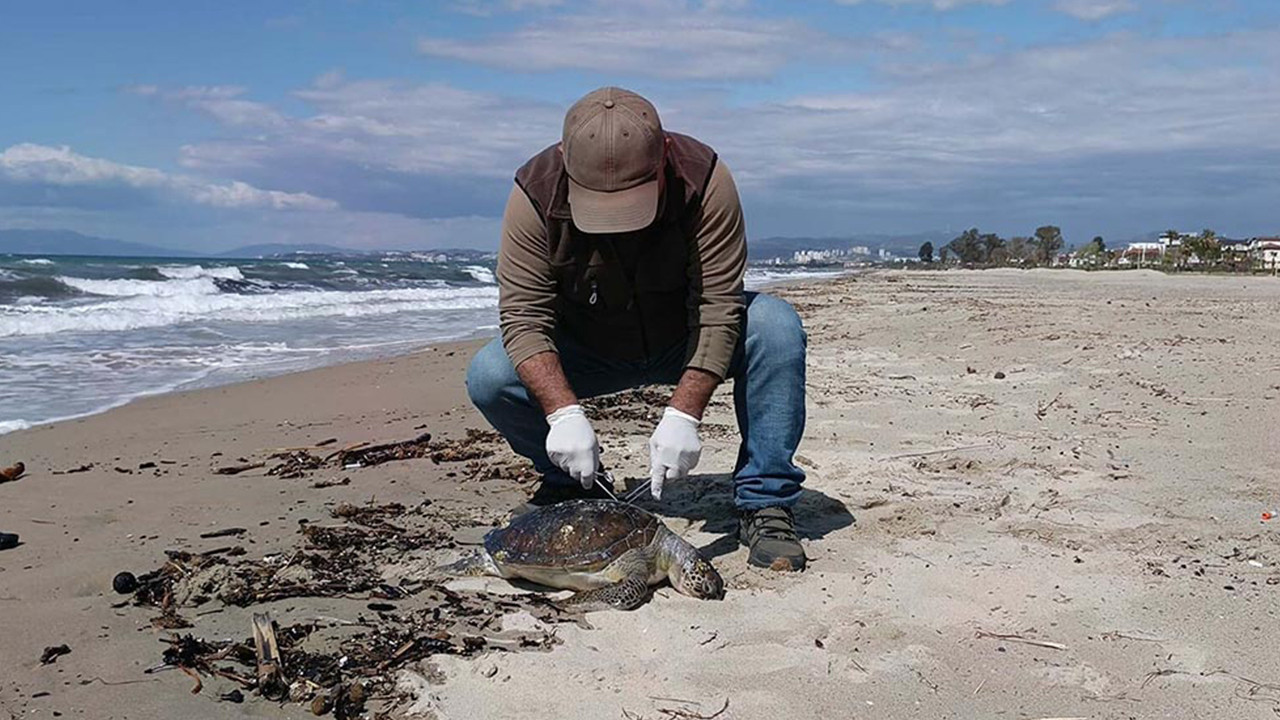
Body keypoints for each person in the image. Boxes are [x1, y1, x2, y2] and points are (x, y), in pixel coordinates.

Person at [466, 87, 809, 571]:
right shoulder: (534, 192)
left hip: (682, 341)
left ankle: (766, 500)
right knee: (489, 374)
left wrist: (685, 414)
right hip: (589, 347)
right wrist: (563, 415)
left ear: (663, 153)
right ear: (565, 159)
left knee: (775, 327)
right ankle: (568, 483)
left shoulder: (705, 179)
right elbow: (524, 317)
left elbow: (718, 306)